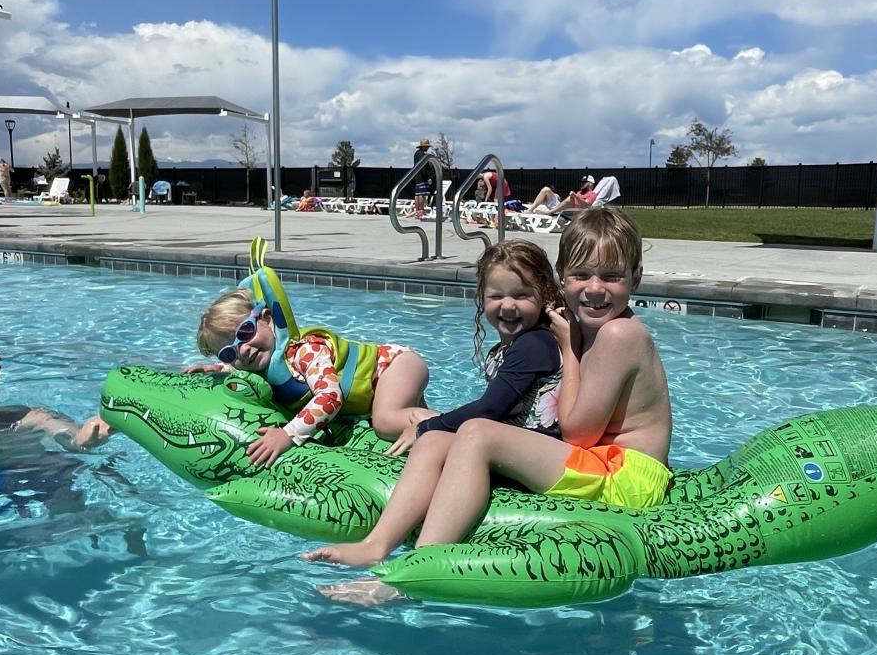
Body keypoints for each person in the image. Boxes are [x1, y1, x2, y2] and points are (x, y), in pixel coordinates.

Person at [312, 209, 673, 602]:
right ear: (562, 277)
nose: (595, 288)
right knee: (436, 442)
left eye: (611, 276)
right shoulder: (590, 323)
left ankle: (412, 573)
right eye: (582, 275)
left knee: (477, 433)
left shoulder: (619, 333)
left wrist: (569, 349)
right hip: (599, 461)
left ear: (635, 278)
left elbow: (577, 432)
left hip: (626, 479)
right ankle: (377, 545)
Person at [303, 238, 564, 570]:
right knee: (435, 440)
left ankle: (421, 560)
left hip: (538, 458)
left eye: (521, 295)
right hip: (511, 449)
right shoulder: (516, 344)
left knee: (434, 433)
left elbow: (489, 410)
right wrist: (433, 430)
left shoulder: (535, 344)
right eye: (496, 296)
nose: (508, 306)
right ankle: (375, 545)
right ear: (482, 297)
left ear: (545, 294)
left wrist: (428, 424)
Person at [193, 271, 431, 467]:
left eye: (245, 333)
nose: (243, 350)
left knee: (385, 421)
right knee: (396, 419)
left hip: (392, 366)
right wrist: (215, 369)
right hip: (381, 383)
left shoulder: (304, 351)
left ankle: (435, 424)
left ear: (268, 319)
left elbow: (330, 397)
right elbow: (239, 371)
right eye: (229, 352)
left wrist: (288, 435)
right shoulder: (257, 362)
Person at [0, 332, 114, 534]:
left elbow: (64, 432)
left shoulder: (23, 417)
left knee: (72, 477)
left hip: (26, 477)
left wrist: (83, 439)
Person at [413, 138, 433, 219]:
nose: (428, 148)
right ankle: (421, 210)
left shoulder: (416, 154)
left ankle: (417, 211)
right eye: (427, 146)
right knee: (422, 194)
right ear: (423, 147)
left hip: (417, 176)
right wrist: (428, 177)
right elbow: (424, 167)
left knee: (417, 194)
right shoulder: (422, 155)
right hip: (422, 176)